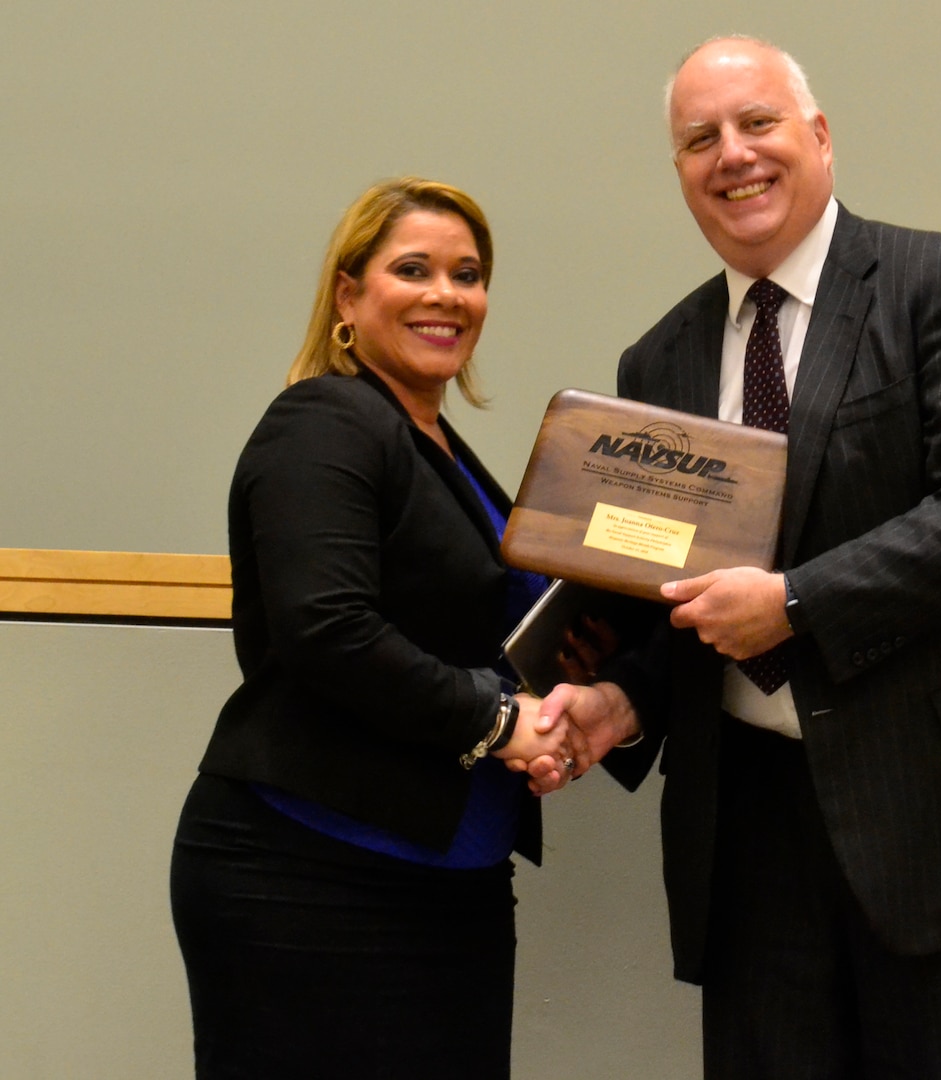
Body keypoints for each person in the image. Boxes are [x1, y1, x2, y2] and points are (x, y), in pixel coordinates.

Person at [541, 36, 941, 1079]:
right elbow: (681, 593)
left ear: (817, 135)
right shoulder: (657, 359)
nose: (732, 155)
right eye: (698, 139)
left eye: (756, 123)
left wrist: (796, 604)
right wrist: (621, 702)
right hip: (751, 838)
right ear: (679, 174)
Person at [169, 176, 583, 1079]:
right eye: (414, 269)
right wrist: (504, 724)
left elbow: (492, 640)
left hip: (452, 882)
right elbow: (326, 629)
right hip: (312, 877)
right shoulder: (323, 420)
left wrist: (569, 716)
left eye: (468, 274)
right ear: (349, 295)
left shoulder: (437, 444)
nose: (447, 294)